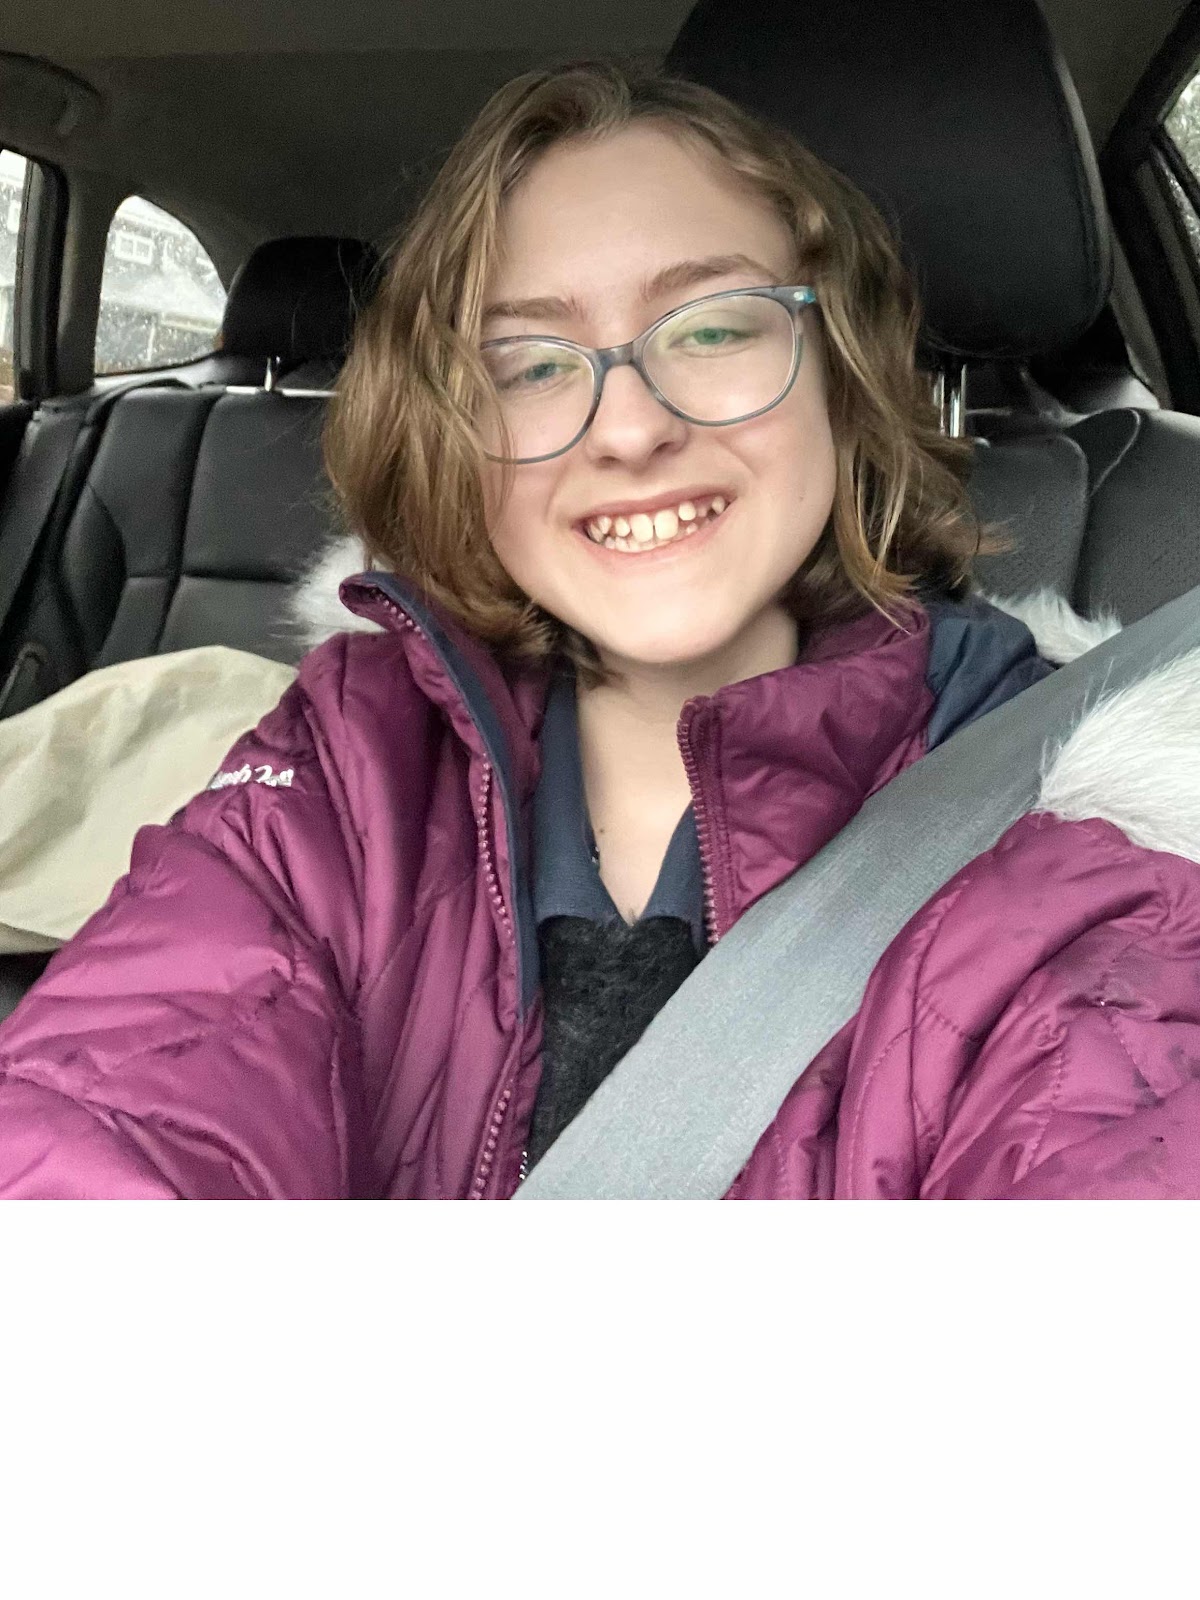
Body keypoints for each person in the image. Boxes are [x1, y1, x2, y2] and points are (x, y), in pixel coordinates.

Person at [1, 63, 1198, 1198]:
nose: (628, 430)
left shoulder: (1089, 828)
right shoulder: (349, 757)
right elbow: (112, 1100)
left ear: (840, 369)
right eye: (528, 364)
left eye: (714, 327)